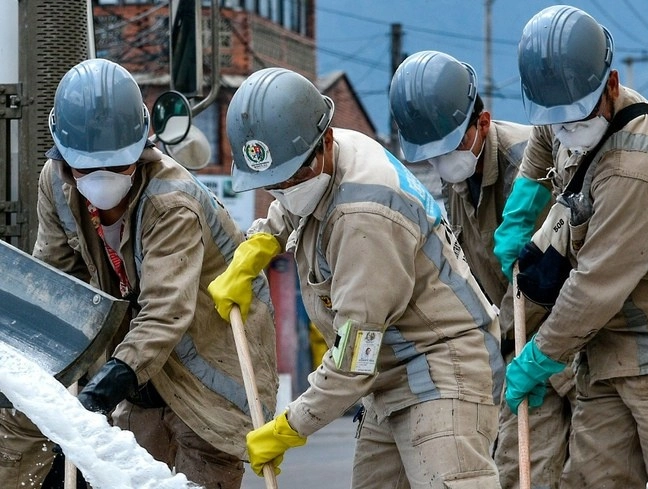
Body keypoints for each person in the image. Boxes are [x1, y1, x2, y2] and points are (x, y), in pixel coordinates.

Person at [208, 66, 504, 488]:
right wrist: (261, 243)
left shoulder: (363, 218)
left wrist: (291, 426)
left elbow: (353, 359)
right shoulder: (327, 150)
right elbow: (294, 202)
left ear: (324, 142)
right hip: (391, 374)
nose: (285, 189)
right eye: (273, 183)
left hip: (441, 368)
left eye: (292, 177)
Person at [496, 5, 648, 489]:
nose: (564, 127)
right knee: (591, 479)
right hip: (610, 344)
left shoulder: (640, 165)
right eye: (553, 117)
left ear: (611, 84)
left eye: (573, 117)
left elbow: (594, 285)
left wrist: (538, 357)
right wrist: (523, 207)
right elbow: (546, 141)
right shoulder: (565, 107)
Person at [0, 58, 279, 489]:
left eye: (118, 166)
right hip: (141, 370)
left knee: (199, 476)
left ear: (142, 151)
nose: (102, 180)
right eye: (86, 169)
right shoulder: (55, 184)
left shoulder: (172, 201)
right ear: (63, 158)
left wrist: (102, 388)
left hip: (206, 369)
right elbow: (56, 286)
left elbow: (165, 312)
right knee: (129, 474)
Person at [389, 49, 574, 489]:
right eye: (429, 156)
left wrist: (512, 351)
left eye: (447, 149)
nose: (439, 165)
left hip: (553, 345)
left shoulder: (528, 164)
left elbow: (548, 281)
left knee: (536, 471)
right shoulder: (456, 177)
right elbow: (469, 273)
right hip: (511, 348)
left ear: (483, 123)